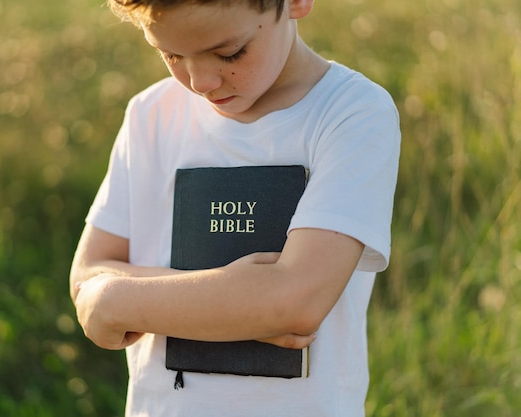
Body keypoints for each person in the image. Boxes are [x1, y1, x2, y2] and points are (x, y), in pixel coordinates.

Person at [70, 0, 401, 415]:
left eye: (230, 53)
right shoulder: (149, 115)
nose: (200, 81)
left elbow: (295, 302)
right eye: (170, 54)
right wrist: (238, 304)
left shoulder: (350, 114)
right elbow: (88, 276)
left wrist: (115, 300)